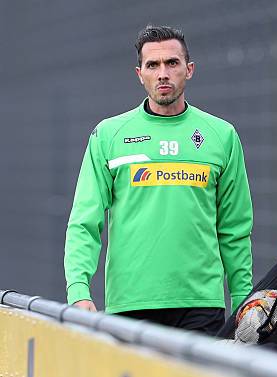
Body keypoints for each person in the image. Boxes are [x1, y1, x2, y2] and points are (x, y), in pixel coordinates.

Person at [64, 25, 253, 335]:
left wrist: (243, 301)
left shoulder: (222, 136)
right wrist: (78, 290)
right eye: (153, 65)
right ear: (140, 73)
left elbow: (234, 229)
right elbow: (85, 222)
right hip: (130, 304)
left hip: (201, 305)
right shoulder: (108, 135)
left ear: (189, 70)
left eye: (172, 63)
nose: (163, 73)